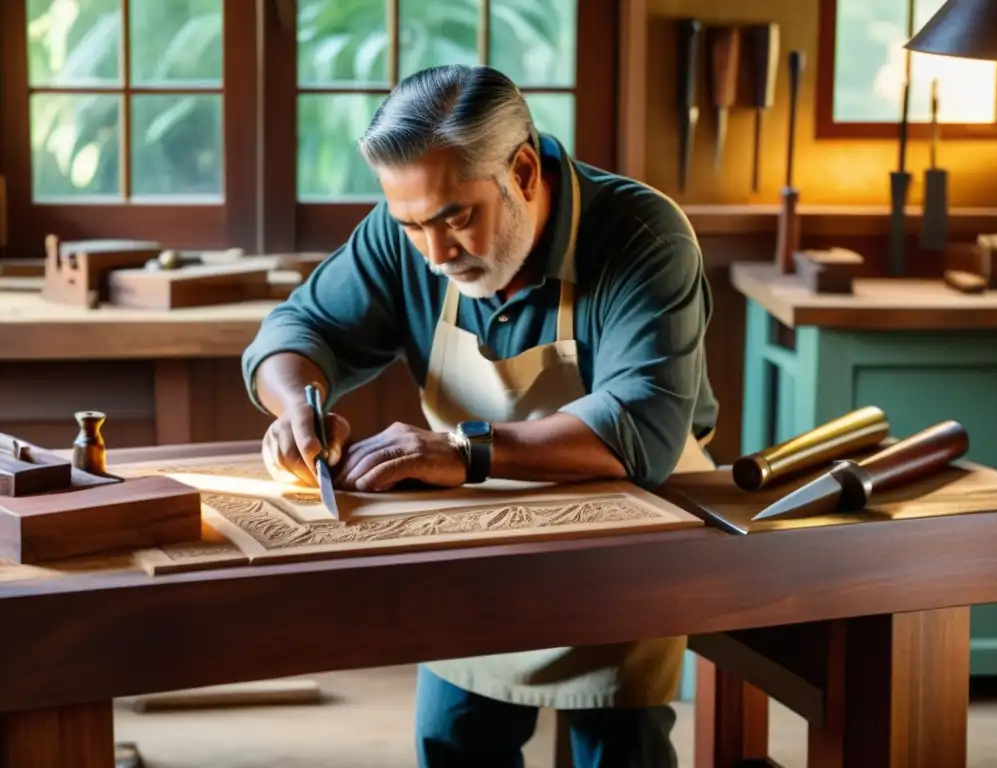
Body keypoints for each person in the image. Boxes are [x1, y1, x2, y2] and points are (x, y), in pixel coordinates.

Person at [241, 64, 719, 768]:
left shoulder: (641, 236)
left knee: (620, 752)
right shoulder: (403, 234)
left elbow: (638, 428)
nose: (435, 254)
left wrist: (461, 449)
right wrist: (298, 407)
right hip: (474, 528)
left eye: (455, 218)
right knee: (455, 742)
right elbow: (297, 330)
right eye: (411, 226)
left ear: (522, 170)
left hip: (628, 526)